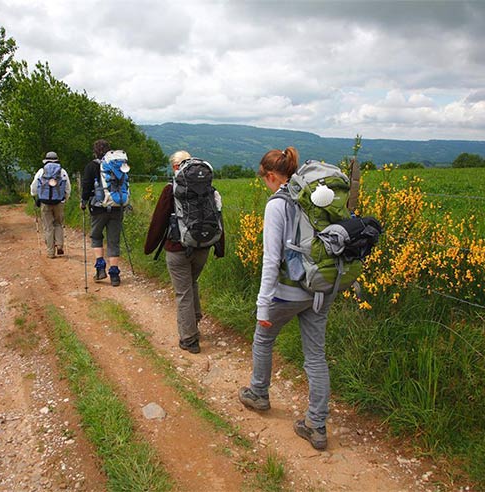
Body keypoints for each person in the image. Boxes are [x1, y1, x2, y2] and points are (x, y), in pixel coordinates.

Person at [238, 146, 335, 451]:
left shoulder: (277, 204)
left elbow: (271, 259)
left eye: (263, 179)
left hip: (287, 292)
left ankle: (259, 394)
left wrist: (262, 304)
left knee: (263, 339)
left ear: (269, 176)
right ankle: (316, 426)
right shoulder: (316, 196)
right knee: (316, 357)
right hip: (320, 288)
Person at [143, 150, 224, 354]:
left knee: (183, 292)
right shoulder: (209, 190)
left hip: (177, 249)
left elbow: (159, 221)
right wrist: (219, 247)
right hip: (203, 247)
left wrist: (149, 247)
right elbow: (217, 218)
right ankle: (194, 321)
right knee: (191, 283)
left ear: (175, 167)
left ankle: (189, 339)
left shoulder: (171, 189)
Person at [80, 139, 123, 286]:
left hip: (98, 208)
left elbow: (86, 187)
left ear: (95, 151)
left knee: (96, 236)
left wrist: (83, 202)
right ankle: (115, 275)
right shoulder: (117, 165)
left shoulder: (91, 166)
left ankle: (100, 269)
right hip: (117, 207)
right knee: (113, 241)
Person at [30, 151, 71, 259]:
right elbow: (68, 188)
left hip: (45, 202)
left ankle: (50, 252)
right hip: (58, 201)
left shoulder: (41, 171)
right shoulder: (62, 171)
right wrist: (64, 199)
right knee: (58, 223)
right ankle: (60, 245)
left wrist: (35, 196)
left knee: (48, 227)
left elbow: (33, 188)